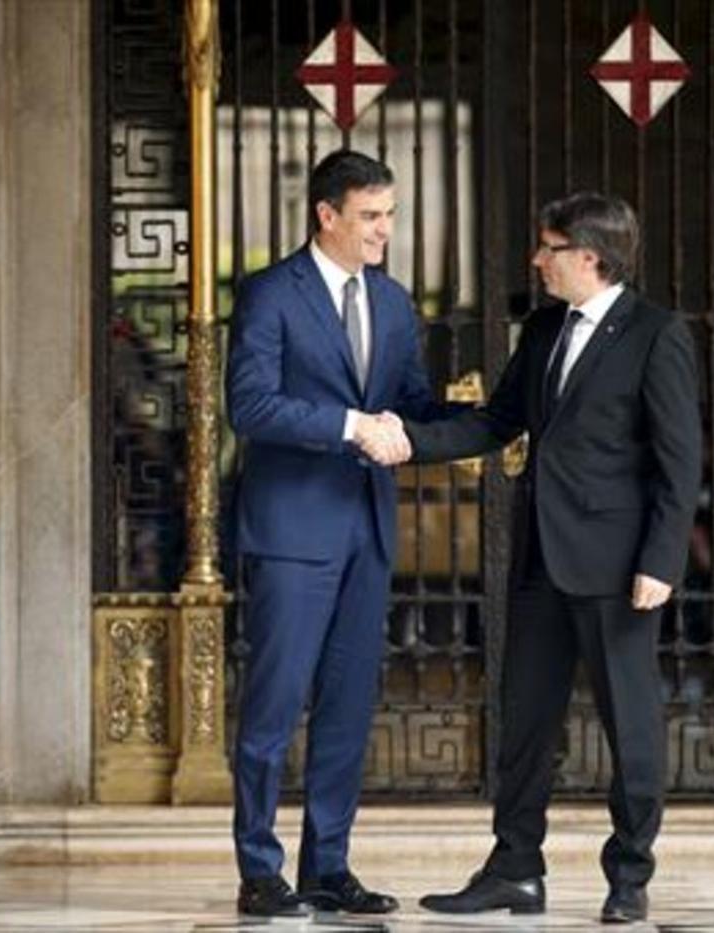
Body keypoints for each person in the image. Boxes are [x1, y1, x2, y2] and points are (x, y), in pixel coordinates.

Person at [407, 192, 702, 924]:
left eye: (548, 248)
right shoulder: (541, 328)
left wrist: (660, 561)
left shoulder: (655, 334)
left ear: (590, 257)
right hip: (541, 558)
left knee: (629, 724)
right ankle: (515, 868)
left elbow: (679, 460)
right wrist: (403, 439)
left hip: (618, 565)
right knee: (525, 720)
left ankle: (629, 876)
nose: (536, 260)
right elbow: (496, 420)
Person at [225, 149, 455, 917]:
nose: (385, 230)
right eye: (371, 216)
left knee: (349, 704)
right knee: (274, 701)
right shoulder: (269, 295)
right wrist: (353, 425)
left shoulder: (392, 303)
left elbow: (412, 404)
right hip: (292, 527)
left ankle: (329, 864)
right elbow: (251, 407)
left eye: (390, 215)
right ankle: (260, 867)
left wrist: (484, 417)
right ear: (327, 215)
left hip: (367, 529)